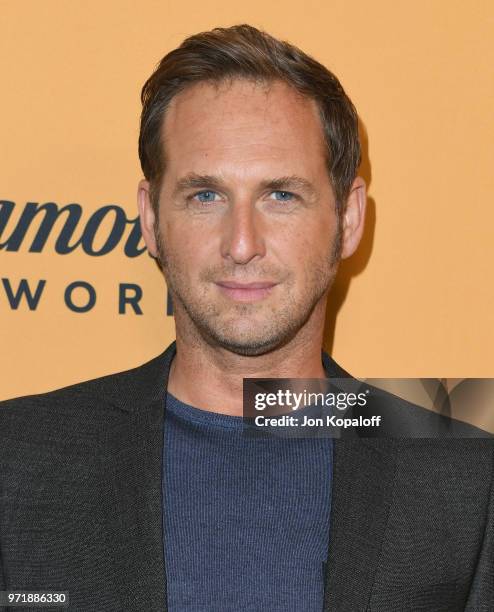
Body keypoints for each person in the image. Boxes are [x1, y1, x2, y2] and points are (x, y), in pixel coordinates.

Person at [0, 24, 492, 612]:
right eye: (205, 195)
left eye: (281, 195)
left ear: (350, 218)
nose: (241, 244)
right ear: (151, 219)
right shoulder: (18, 457)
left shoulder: (462, 474)